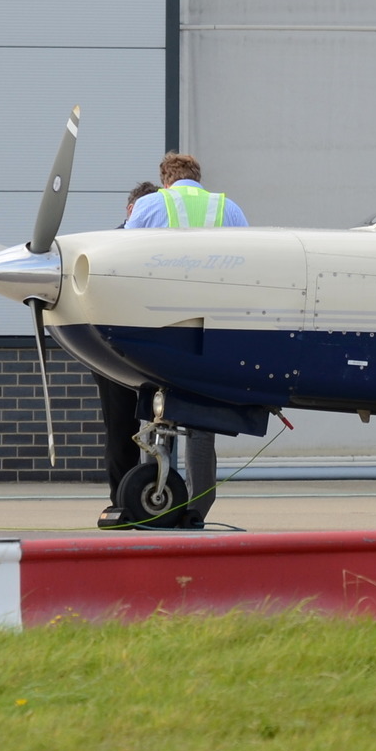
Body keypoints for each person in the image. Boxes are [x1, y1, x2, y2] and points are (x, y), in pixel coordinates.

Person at [123, 152, 249, 510]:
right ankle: (198, 507)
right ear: (198, 177)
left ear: (166, 180)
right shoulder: (228, 208)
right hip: (210, 325)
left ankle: (156, 495)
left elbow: (122, 256)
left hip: (158, 323)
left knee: (156, 412)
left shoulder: (151, 205)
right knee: (201, 417)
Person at [95, 181, 163, 504]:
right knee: (121, 430)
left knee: (163, 431)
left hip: (157, 351)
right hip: (116, 352)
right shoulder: (108, 247)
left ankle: (155, 493)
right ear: (130, 211)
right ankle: (122, 500)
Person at [124, 152, 248, 228]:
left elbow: (126, 244)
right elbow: (247, 247)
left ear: (166, 184)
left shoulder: (147, 204)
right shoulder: (229, 207)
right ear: (197, 179)